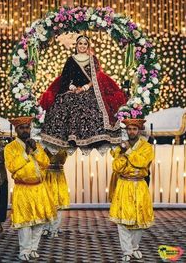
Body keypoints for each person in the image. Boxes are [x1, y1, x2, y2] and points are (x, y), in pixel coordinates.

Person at [40, 35, 127, 152]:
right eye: (80, 43)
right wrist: (72, 87)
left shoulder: (93, 59)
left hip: (91, 89)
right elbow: (66, 78)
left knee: (87, 101)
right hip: (72, 88)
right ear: (76, 45)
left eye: (85, 44)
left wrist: (85, 88)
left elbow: (96, 78)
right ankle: (70, 137)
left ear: (88, 46)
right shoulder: (71, 59)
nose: (82, 46)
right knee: (66, 100)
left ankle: (95, 138)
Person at [4, 116, 57, 261]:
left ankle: (33, 248)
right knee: (25, 223)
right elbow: (12, 167)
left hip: (39, 188)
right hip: (23, 189)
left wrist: (35, 150)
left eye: (27, 127)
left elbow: (45, 163)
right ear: (16, 130)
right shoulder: (10, 148)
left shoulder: (36, 145)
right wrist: (26, 153)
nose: (25, 130)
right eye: (22, 128)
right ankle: (24, 251)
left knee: (39, 221)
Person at [109, 118, 154, 262]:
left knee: (139, 219)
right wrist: (123, 154)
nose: (131, 132)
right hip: (123, 185)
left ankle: (134, 247)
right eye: (129, 129)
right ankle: (127, 251)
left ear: (139, 131)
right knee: (122, 221)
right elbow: (116, 167)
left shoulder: (146, 147)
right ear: (126, 131)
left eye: (134, 129)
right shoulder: (120, 148)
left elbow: (141, 162)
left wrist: (127, 151)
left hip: (140, 185)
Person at [42, 148, 70, 237]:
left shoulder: (61, 147)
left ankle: (52, 228)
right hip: (52, 176)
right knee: (48, 203)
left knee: (55, 203)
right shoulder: (61, 146)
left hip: (55, 177)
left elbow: (62, 159)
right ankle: (49, 228)